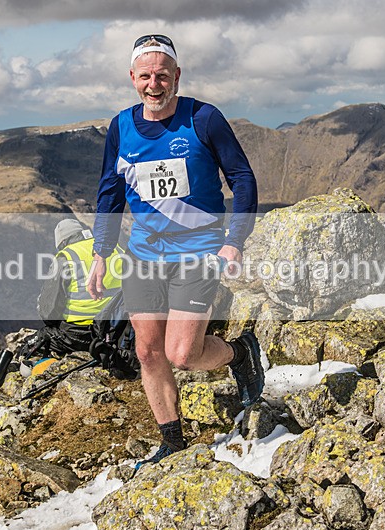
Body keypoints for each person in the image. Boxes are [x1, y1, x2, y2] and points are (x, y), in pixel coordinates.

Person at [87, 34, 263, 467]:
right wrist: (101, 253)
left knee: (182, 354)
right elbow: (109, 193)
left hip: (198, 251)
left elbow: (242, 179)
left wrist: (234, 241)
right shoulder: (121, 127)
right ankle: (172, 441)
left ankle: (240, 352)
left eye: (162, 75)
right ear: (132, 78)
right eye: (145, 75)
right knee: (147, 351)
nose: (154, 84)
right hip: (143, 255)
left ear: (177, 76)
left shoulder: (204, 119)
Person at [31, 218, 123, 358]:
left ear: (61, 242)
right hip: (118, 329)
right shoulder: (115, 248)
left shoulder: (66, 257)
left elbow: (49, 312)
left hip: (81, 335)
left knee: (36, 343)